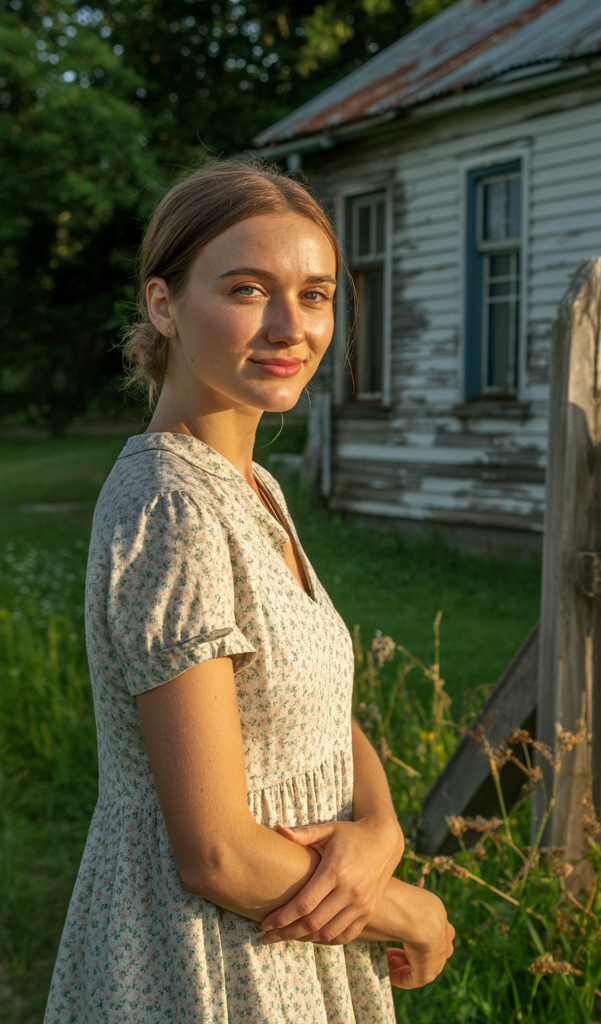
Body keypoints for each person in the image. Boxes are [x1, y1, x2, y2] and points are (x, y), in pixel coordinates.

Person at [44, 161, 454, 1023]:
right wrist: (409, 910)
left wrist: (379, 832)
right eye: (246, 289)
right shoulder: (170, 506)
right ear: (164, 304)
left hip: (295, 928)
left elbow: (305, 705)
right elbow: (220, 855)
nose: (289, 326)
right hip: (212, 958)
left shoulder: (250, 486)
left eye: (315, 295)